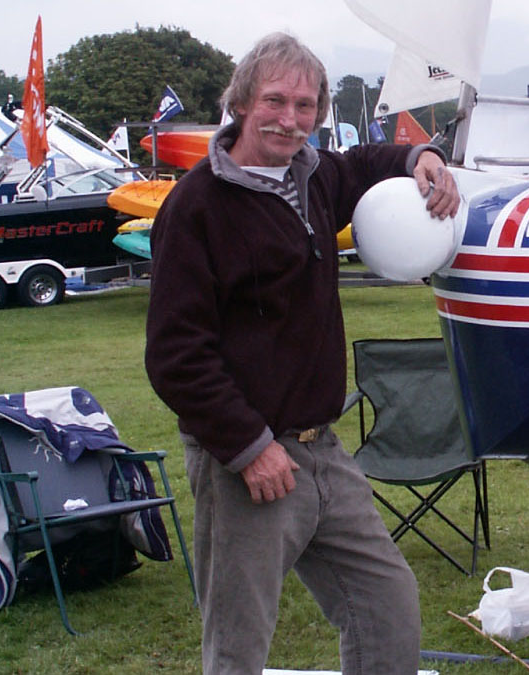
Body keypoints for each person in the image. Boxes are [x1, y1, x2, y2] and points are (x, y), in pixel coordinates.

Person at [144, 32, 459, 675]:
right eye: (276, 101)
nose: (291, 120)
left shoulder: (312, 176)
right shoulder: (195, 207)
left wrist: (420, 158)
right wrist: (249, 447)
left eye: (306, 105)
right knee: (238, 644)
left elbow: (367, 163)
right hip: (249, 464)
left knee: (387, 604)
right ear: (240, 103)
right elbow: (176, 354)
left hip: (324, 451)